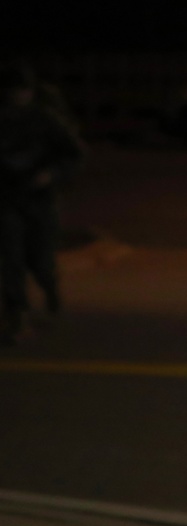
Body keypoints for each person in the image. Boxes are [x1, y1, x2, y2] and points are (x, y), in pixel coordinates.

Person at [0, 60, 84, 344]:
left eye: (22, 90)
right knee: (10, 257)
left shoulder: (45, 120)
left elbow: (73, 154)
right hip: (7, 200)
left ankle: (49, 286)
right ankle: (16, 313)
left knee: (41, 260)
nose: (17, 96)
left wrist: (52, 174)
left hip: (39, 200)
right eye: (12, 91)